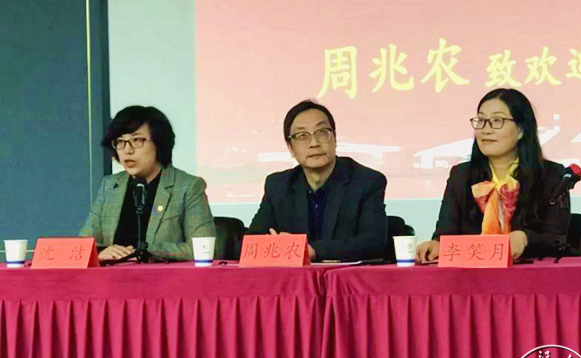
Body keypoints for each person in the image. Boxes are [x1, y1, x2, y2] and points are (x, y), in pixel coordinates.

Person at [417, 88, 571, 263]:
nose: (486, 130)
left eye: (497, 121)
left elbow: (557, 241)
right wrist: (435, 245)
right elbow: (445, 235)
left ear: (521, 129)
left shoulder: (551, 175)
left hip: (530, 276)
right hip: (472, 275)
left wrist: (525, 238)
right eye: (481, 121)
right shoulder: (461, 176)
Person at [248, 100, 388, 261]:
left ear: (335, 139)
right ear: (290, 148)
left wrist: (312, 250)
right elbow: (250, 243)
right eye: (302, 136)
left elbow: (373, 243)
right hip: (295, 277)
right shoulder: (278, 186)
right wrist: (275, 246)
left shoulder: (367, 182)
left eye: (321, 132)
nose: (314, 143)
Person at [80, 106, 215, 261]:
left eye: (136, 140)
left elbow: (203, 249)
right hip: (113, 275)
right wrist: (100, 253)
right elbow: (83, 244)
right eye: (120, 142)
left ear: (159, 142)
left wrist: (145, 252)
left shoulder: (188, 186)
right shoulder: (110, 185)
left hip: (162, 276)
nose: (127, 150)